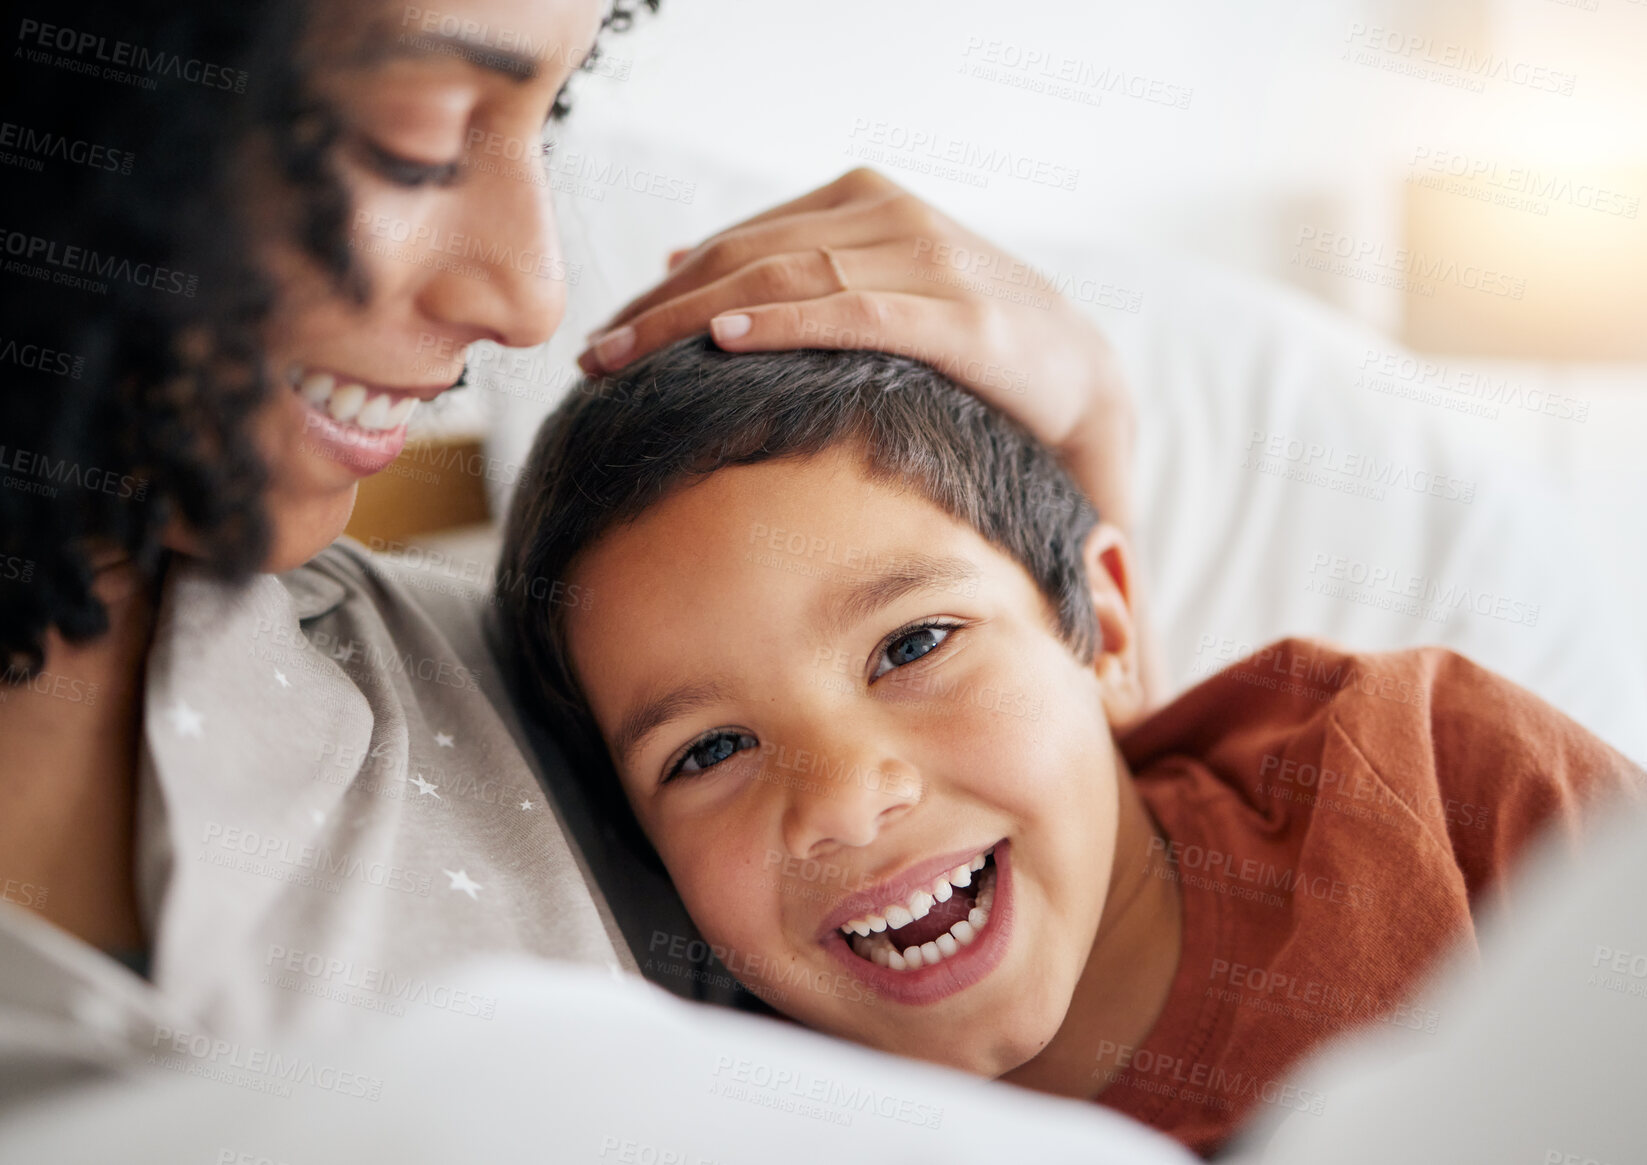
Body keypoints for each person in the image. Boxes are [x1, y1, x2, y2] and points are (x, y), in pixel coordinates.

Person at [0, 0, 1138, 1097]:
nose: (531, 298)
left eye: (549, 125)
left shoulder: (534, 686)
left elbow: (1066, 977)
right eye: (419, 138)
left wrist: (1090, 439)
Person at [497, 337, 1647, 1156]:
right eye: (709, 752)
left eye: (913, 644)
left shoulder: (1419, 761)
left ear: (1104, 628)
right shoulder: (739, 1116)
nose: (847, 801)